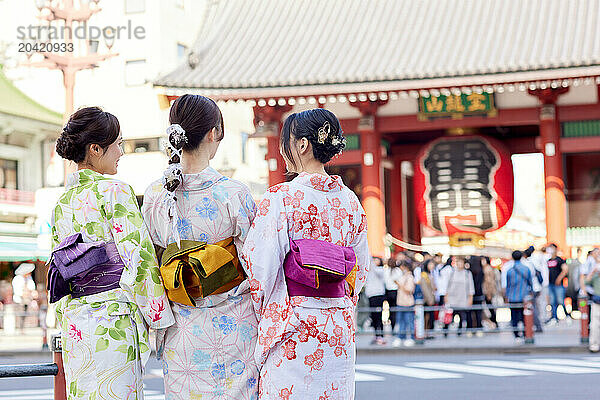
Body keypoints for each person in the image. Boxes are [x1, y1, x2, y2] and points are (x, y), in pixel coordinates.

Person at [241, 108, 370, 399]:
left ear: (302, 145)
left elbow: (259, 269)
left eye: (285, 140)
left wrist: (266, 311)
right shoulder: (350, 202)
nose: (282, 148)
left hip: (295, 323)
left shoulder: (281, 197)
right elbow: (359, 272)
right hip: (337, 324)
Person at [49, 106, 174, 399]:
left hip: (76, 323)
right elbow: (139, 257)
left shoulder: (62, 202)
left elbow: (58, 270)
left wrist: (65, 314)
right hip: (113, 319)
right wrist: (160, 319)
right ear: (95, 149)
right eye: (118, 144)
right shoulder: (115, 191)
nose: (121, 152)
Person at [141, 95, 259, 399]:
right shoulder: (233, 193)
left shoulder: (156, 194)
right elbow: (257, 266)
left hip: (181, 330)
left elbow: (149, 263)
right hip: (234, 327)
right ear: (214, 132)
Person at [443, 256, 474, 336]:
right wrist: (446, 297)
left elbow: (471, 287)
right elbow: (447, 286)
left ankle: (459, 331)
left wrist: (470, 298)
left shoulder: (467, 274)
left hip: (463, 298)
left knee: (461, 315)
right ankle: (445, 331)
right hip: (452, 298)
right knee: (450, 316)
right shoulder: (452, 272)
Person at [505, 251, 533, 340]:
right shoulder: (526, 269)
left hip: (512, 297)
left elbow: (508, 285)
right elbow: (530, 283)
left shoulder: (509, 271)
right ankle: (526, 333)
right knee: (525, 316)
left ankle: (516, 334)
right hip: (524, 297)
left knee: (514, 317)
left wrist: (506, 296)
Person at [393, 260, 416, 347]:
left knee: (409, 321)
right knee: (401, 321)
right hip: (400, 302)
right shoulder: (403, 276)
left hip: (408, 303)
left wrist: (400, 285)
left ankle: (410, 337)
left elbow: (409, 290)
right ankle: (400, 337)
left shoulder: (410, 277)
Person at [365, 256, 386, 344]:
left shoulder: (380, 270)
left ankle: (381, 335)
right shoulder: (369, 271)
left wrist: (369, 257)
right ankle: (376, 335)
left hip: (378, 295)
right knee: (373, 316)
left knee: (378, 316)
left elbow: (375, 269)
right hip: (371, 295)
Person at [545, 243, 568, 324]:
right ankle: (554, 317)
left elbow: (565, 270)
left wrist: (559, 279)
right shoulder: (548, 261)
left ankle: (567, 315)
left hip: (558, 284)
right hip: (550, 284)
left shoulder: (559, 260)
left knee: (561, 301)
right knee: (552, 302)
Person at [12, 263, 36, 331]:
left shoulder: (29, 279)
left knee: (25, 315)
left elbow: (32, 287)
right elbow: (18, 291)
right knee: (19, 315)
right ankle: (19, 329)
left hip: (27, 300)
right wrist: (25, 294)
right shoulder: (17, 279)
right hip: (19, 300)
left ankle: (23, 328)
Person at [466, 256, 485, 336]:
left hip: (469, 295)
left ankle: (469, 329)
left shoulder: (468, 272)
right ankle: (479, 329)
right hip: (479, 294)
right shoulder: (481, 271)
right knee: (478, 313)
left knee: (469, 313)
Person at [584, 261, 600, 352]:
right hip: (597, 301)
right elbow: (586, 282)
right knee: (595, 324)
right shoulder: (595, 276)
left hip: (596, 300)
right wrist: (593, 271)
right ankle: (594, 345)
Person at [481, 256, 499, 327]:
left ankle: (494, 322)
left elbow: (489, 282)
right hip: (490, 292)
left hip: (488, 292)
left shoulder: (487, 269)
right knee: (490, 308)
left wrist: (489, 293)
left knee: (490, 309)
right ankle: (493, 322)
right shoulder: (489, 268)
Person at [384, 257, 400, 333]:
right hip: (394, 291)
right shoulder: (397, 271)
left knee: (391, 309)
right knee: (394, 309)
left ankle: (392, 325)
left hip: (389, 291)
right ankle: (394, 326)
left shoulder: (386, 271)